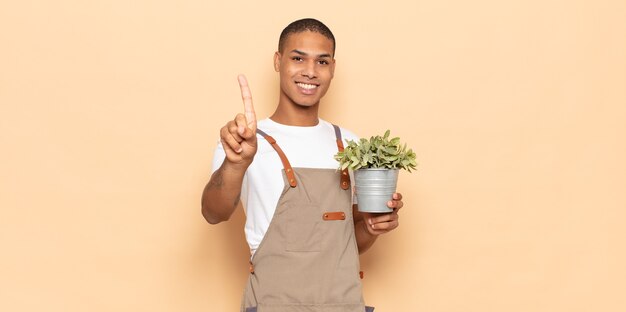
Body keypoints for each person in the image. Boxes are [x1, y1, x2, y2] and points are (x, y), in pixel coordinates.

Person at [201, 18, 404, 312]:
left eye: (322, 62)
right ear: (278, 61)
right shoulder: (244, 141)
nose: (310, 71)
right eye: (298, 58)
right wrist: (236, 164)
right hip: (272, 304)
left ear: (332, 68)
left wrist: (371, 228)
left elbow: (347, 246)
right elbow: (212, 212)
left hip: (343, 304)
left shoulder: (350, 145)